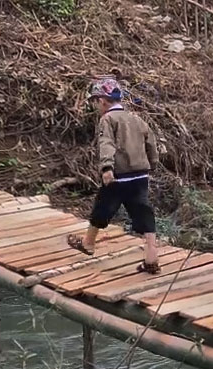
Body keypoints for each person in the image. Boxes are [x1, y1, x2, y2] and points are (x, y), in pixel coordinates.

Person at [67, 77, 161, 273]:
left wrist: (107, 168)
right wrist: (152, 163)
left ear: (102, 101)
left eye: (95, 101)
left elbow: (107, 143)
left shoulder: (107, 119)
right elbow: (151, 142)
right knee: (143, 211)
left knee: (103, 207)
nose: (96, 106)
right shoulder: (136, 119)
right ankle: (151, 257)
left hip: (119, 175)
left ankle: (88, 243)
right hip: (140, 175)